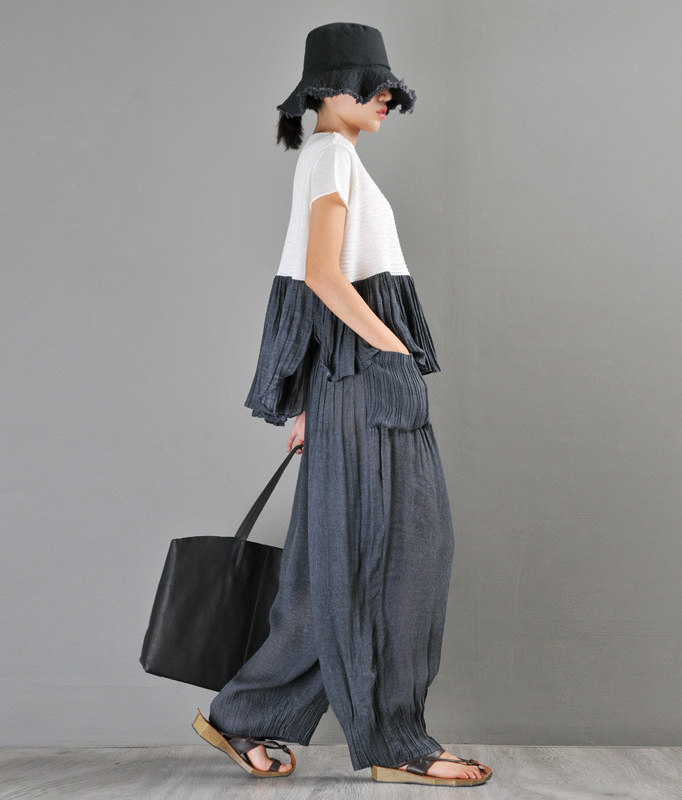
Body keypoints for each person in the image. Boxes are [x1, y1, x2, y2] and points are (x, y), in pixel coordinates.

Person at [191, 22, 492, 787]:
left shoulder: (335, 159)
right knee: (399, 563)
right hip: (368, 386)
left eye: (390, 84)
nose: (386, 95)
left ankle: (244, 714)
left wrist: (310, 403)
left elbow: (310, 282)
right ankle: (396, 742)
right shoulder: (329, 156)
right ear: (329, 88)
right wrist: (392, 351)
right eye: (372, 82)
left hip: (347, 390)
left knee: (335, 569)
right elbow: (323, 275)